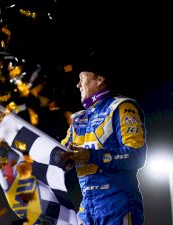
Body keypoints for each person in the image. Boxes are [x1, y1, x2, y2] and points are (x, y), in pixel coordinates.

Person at [61, 52, 147, 225]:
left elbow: (136, 155)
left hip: (118, 204)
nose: (78, 84)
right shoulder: (78, 119)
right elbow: (59, 152)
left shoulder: (122, 107)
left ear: (99, 79)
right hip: (87, 208)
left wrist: (92, 156)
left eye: (82, 78)